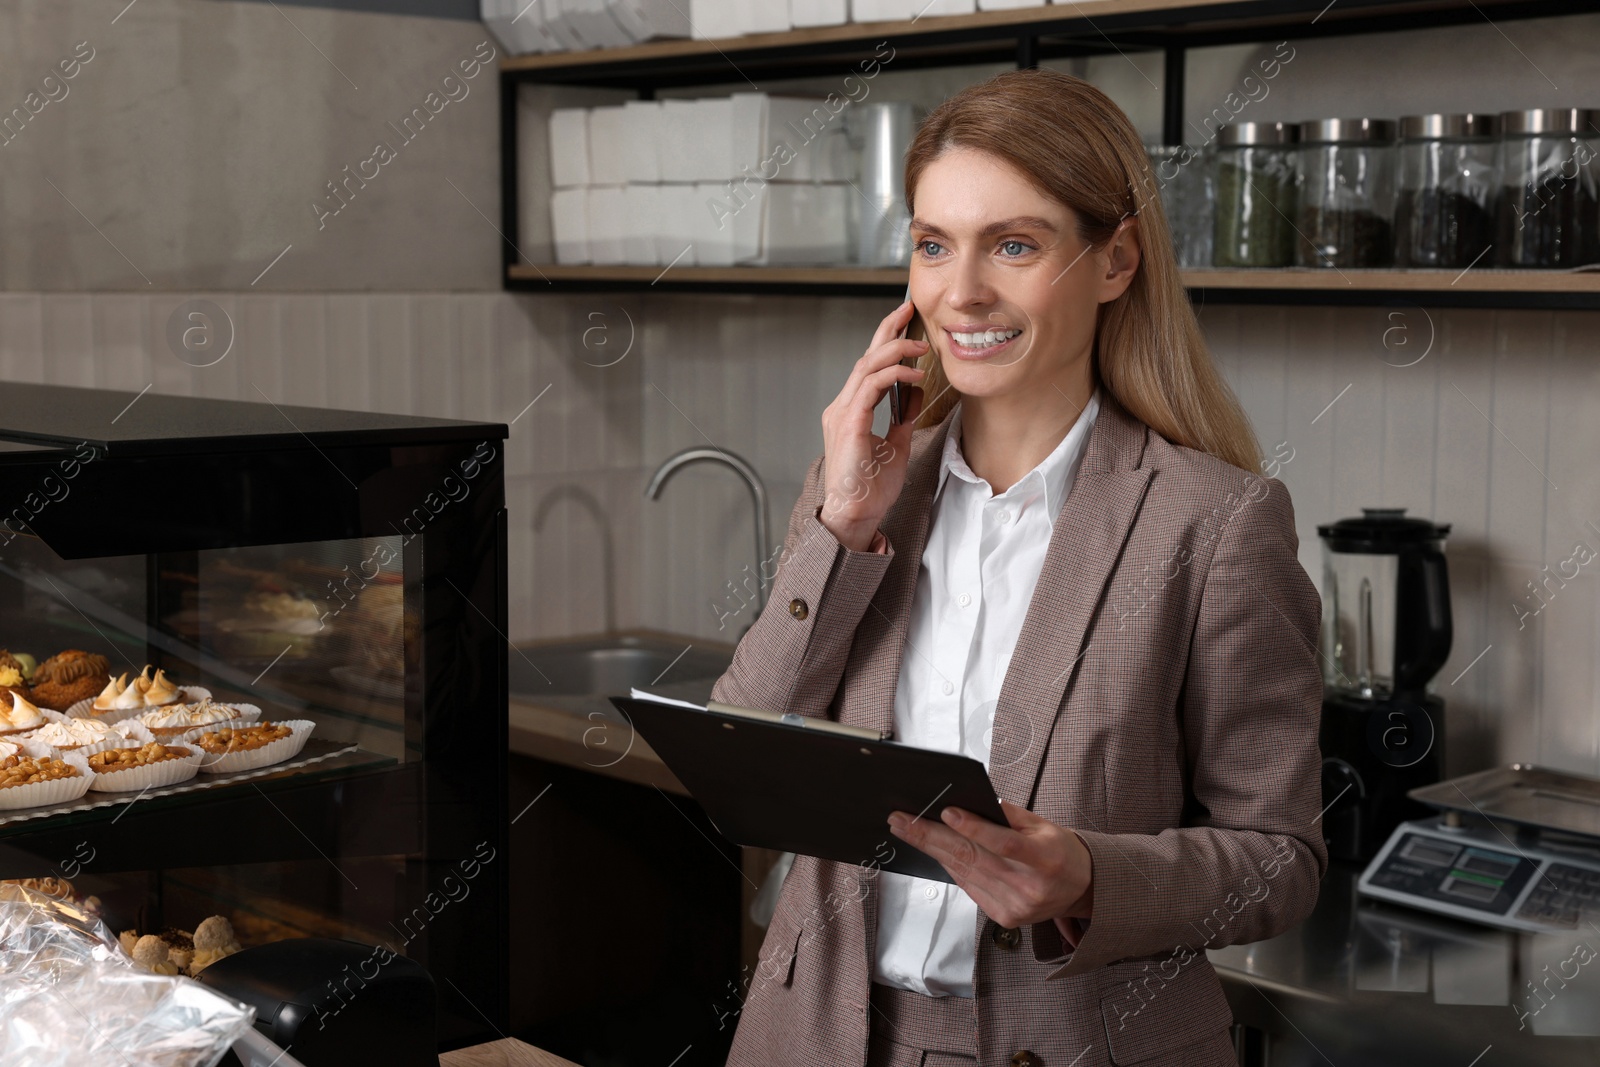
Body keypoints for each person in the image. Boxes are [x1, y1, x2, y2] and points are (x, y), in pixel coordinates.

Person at [712, 67, 1325, 1067]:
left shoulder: (1214, 522)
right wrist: (839, 525)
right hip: (824, 1036)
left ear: (1115, 260)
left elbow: (1280, 862)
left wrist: (1089, 876)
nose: (961, 293)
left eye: (1013, 243)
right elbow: (745, 751)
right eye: (932, 245)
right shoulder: (864, 492)